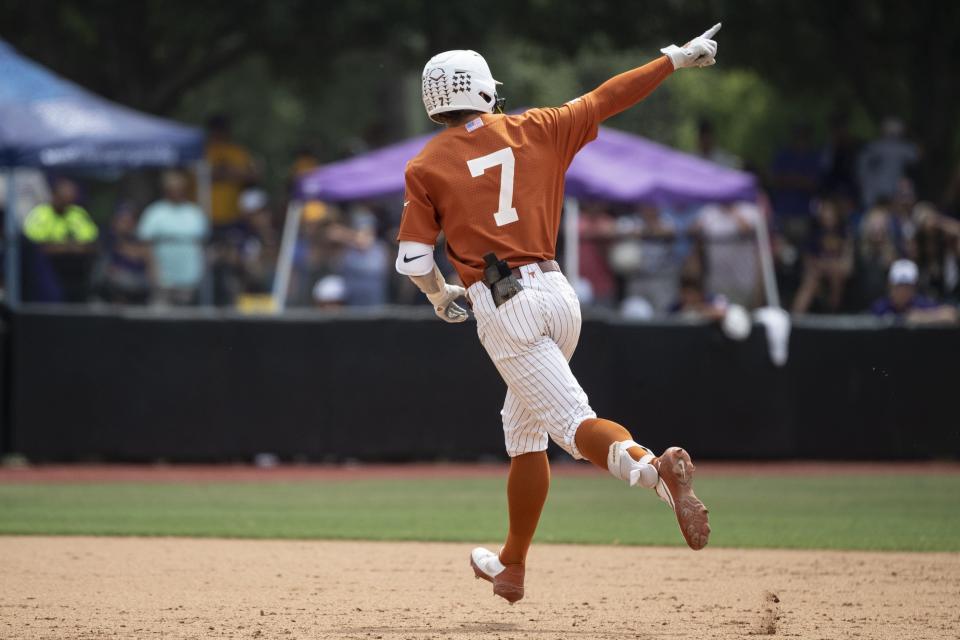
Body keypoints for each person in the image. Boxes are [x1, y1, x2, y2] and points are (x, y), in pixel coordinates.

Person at [395, 25, 720, 603]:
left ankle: (652, 469)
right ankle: (511, 565)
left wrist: (440, 295)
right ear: (485, 91)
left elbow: (413, 257)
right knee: (524, 431)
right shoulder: (538, 126)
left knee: (571, 422)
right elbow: (606, 97)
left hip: (503, 306)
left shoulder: (425, 165)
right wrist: (672, 59)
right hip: (558, 294)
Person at [137, 171, 209, 305]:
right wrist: (152, 270)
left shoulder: (194, 213)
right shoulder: (154, 212)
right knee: (160, 317)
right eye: (174, 189)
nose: (178, 192)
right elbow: (146, 244)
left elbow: (203, 244)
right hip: (162, 276)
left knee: (187, 318)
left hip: (189, 275)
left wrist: (202, 270)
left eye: (180, 189)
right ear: (166, 190)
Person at [22, 177, 98, 302]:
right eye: (64, 198)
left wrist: (63, 247)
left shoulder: (77, 213)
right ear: (54, 196)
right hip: (47, 268)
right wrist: (69, 247)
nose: (67, 202)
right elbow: (35, 247)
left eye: (71, 199)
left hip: (75, 269)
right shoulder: (40, 214)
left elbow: (90, 243)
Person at [205, 114, 258, 230]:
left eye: (222, 129)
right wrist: (232, 173)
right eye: (216, 129)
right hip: (205, 215)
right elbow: (205, 174)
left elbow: (254, 175)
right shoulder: (203, 151)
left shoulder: (238, 152)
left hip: (233, 216)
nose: (219, 133)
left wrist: (224, 172)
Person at [857, 117, 919, 209]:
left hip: (882, 189)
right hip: (883, 189)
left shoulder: (873, 146)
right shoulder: (902, 148)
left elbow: (861, 169)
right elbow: (917, 155)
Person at [870, 259, 958, 324]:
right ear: (890, 286)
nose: (902, 291)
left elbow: (951, 315)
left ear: (914, 288)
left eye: (907, 286)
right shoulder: (881, 306)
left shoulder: (920, 303)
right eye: (899, 286)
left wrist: (922, 317)